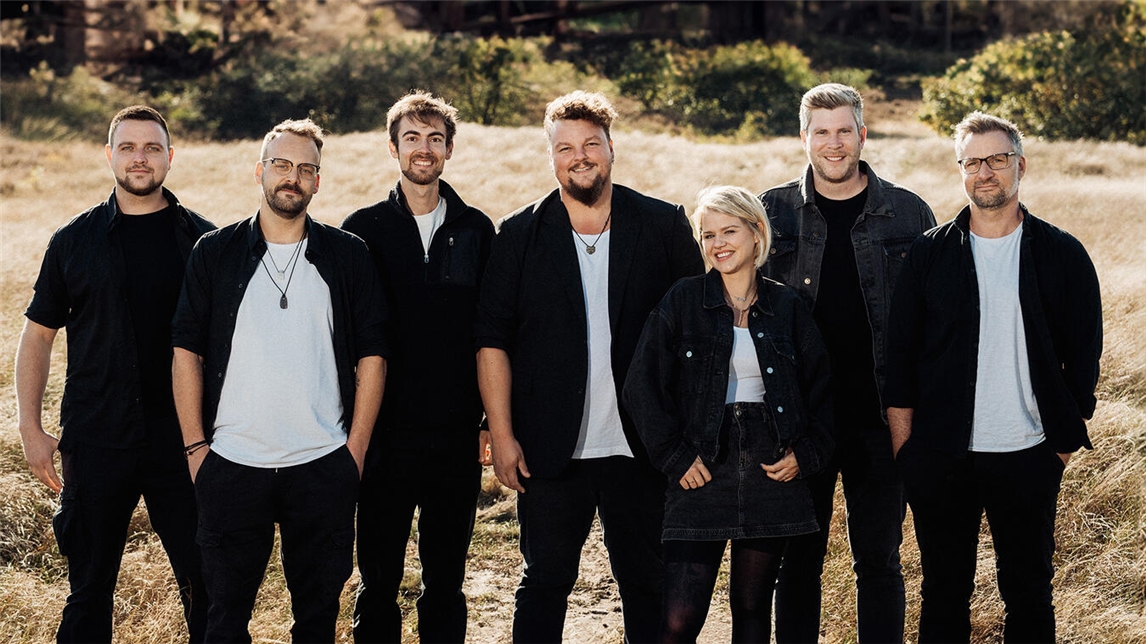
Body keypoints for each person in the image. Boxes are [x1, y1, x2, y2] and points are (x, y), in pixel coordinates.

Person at [475, 90, 704, 643]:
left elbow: (698, 335)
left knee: (646, 585)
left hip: (642, 446)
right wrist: (502, 434)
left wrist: (688, 435)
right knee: (545, 582)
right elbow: (491, 342)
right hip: (551, 449)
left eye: (591, 144)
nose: (580, 157)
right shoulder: (518, 235)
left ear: (611, 149)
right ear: (551, 157)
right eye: (565, 147)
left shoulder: (662, 223)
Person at [884, 111, 1102, 643]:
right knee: (942, 593)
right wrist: (907, 453)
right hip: (941, 456)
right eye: (973, 161)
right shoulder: (929, 254)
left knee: (1029, 593)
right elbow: (900, 358)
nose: (986, 172)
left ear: (1020, 165)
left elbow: (1085, 356)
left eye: (997, 159)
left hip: (1030, 454)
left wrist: (1060, 446)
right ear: (961, 170)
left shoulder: (1062, 253)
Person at [171, 118, 388, 642]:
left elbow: (373, 358)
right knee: (223, 621)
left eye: (306, 169)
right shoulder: (215, 252)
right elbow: (186, 353)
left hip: (320, 464)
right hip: (231, 465)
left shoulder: (347, 254)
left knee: (316, 620)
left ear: (318, 180)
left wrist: (353, 451)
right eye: (282, 165)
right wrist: (197, 450)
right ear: (260, 171)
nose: (293, 177)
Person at [15, 105, 212, 643]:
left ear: (170, 157)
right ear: (109, 156)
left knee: (207, 589)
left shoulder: (206, 244)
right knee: (89, 592)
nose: (139, 158)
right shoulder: (74, 241)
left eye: (151, 148)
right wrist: (30, 429)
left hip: (186, 442)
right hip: (98, 437)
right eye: (127, 147)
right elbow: (37, 336)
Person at [759, 83, 936, 644]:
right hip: (797, 420)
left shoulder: (908, 213)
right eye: (821, 132)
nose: (833, 144)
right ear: (803, 138)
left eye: (843, 131)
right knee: (798, 562)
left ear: (863, 134)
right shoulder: (771, 211)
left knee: (880, 561)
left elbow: (933, 322)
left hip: (880, 420)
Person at [623, 186, 834, 643]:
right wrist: (674, 456)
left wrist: (807, 453)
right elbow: (641, 386)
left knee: (752, 607)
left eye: (729, 231)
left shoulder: (788, 307)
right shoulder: (683, 301)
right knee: (678, 618)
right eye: (708, 234)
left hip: (770, 472)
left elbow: (824, 394)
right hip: (700, 468)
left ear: (757, 233)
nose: (718, 243)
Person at [341, 90, 494, 644]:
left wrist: (487, 421)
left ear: (449, 149)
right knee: (377, 575)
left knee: (446, 579)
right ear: (393, 147)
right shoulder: (360, 230)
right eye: (412, 138)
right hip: (382, 434)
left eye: (434, 139)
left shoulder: (478, 231)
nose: (423, 149)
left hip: (454, 434)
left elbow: (491, 335)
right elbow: (345, 338)